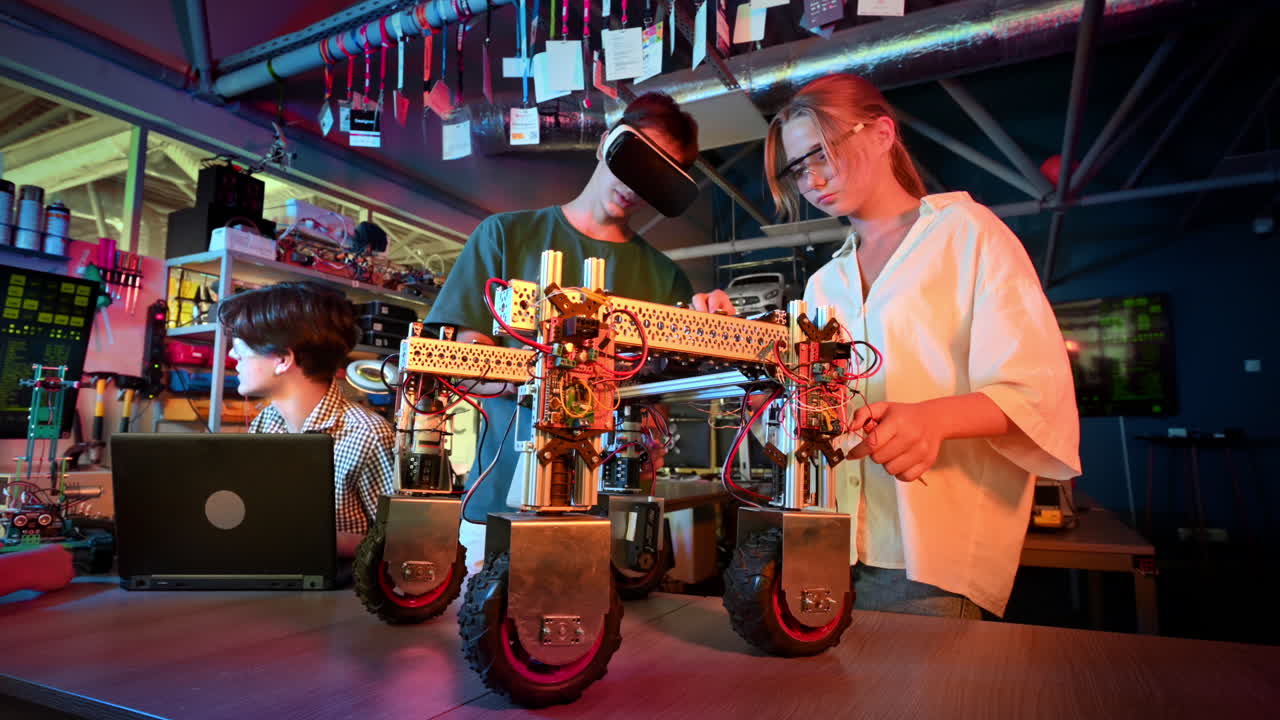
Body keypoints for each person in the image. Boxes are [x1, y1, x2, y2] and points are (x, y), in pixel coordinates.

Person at [701, 73, 1080, 618]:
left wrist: (934, 420)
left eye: (822, 154)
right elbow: (803, 424)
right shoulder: (825, 285)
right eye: (797, 169)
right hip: (831, 540)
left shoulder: (965, 234)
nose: (812, 179)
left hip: (926, 553)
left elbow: (1036, 390)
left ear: (881, 134)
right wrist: (740, 355)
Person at [425, 92, 727, 570]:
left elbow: (659, 403)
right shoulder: (505, 237)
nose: (636, 184)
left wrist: (712, 339)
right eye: (636, 158)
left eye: (659, 173)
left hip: (611, 512)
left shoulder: (666, 278)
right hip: (500, 501)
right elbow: (462, 363)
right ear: (606, 142)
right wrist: (546, 379)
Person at [219, 281, 395, 559]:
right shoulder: (267, 423)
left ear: (282, 359)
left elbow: (398, 544)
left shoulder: (368, 436)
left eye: (242, 344)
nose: (232, 354)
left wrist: (308, 536)